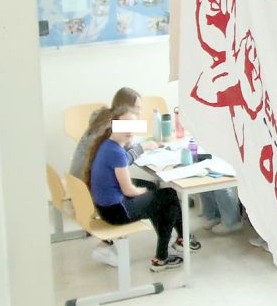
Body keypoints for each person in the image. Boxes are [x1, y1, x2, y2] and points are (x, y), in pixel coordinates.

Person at [84, 108, 201, 272]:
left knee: (156, 191)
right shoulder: (115, 152)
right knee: (169, 195)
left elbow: (126, 158)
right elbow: (129, 190)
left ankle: (179, 241)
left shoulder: (108, 146)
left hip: (105, 207)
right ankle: (165, 255)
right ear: (113, 125)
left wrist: (142, 148)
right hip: (116, 212)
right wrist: (145, 192)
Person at [69, 87, 157, 267]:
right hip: (89, 187)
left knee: (133, 189)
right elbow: (121, 158)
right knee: (140, 191)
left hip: (78, 183)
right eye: (136, 108)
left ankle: (110, 243)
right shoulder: (112, 126)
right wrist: (142, 147)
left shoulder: (104, 118)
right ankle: (110, 243)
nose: (138, 113)